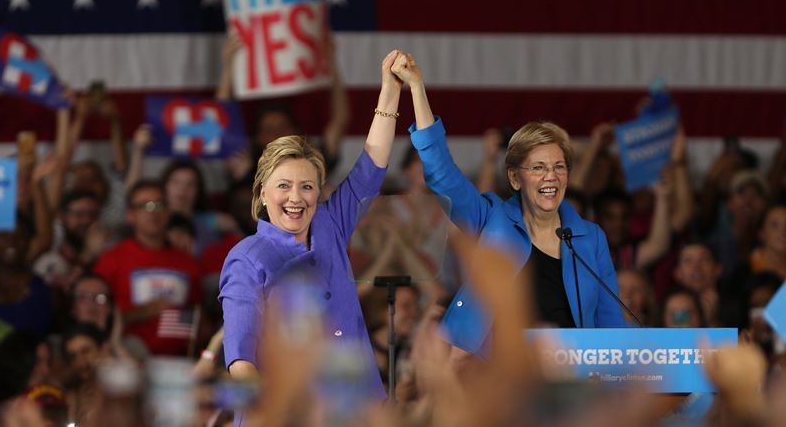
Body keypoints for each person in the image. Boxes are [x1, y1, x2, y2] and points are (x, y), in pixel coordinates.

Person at [399, 53, 625, 362]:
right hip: (492, 377)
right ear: (515, 179)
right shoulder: (490, 218)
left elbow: (611, 324)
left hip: (569, 382)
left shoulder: (591, 238)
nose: (551, 176)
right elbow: (442, 174)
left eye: (559, 167)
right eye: (539, 168)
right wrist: (416, 88)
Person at [218, 50, 405, 405]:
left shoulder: (328, 223)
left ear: (319, 192)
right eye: (284, 185)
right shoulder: (247, 258)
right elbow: (241, 359)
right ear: (262, 192)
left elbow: (371, 168)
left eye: (307, 186)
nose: (296, 197)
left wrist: (390, 89)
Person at [94, 180, 201, 356]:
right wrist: (143, 313)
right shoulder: (111, 259)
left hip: (179, 362)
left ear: (168, 212)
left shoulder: (187, 262)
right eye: (145, 206)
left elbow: (197, 314)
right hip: (127, 358)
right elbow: (99, 317)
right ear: (130, 214)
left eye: (158, 205)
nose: (153, 212)